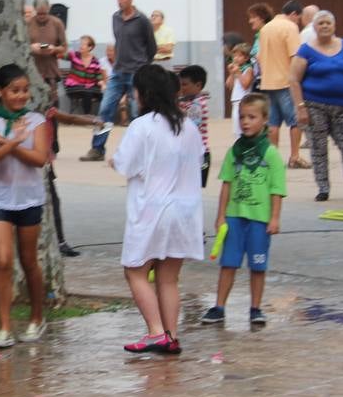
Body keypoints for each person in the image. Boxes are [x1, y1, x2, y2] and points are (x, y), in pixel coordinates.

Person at [110, 65, 203, 354]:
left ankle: (155, 331)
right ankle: (170, 335)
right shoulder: (188, 126)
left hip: (151, 209)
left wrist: (113, 160)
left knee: (135, 271)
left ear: (145, 93)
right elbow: (198, 161)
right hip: (185, 212)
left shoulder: (143, 125)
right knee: (168, 277)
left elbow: (125, 163)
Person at [0, 64, 51, 348]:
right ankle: (5, 326)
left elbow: (39, 158)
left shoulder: (36, 120)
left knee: (29, 259)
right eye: (14, 90)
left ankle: (36, 317)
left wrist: (9, 143)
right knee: (2, 260)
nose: (21, 96)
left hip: (29, 198)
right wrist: (11, 142)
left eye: (25, 90)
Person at [200, 93, 286, 327]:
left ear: (265, 120)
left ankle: (255, 308)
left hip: (260, 220)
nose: (246, 122)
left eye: (252, 117)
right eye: (242, 117)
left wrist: (275, 218)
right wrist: (220, 216)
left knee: (258, 266)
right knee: (228, 263)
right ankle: (219, 307)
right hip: (234, 218)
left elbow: (276, 190)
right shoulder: (233, 152)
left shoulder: (271, 154)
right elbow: (226, 185)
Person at [290, 10, 343, 202]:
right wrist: (300, 107)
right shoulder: (305, 50)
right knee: (318, 148)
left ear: (334, 26)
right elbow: (294, 80)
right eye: (321, 23)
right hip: (314, 106)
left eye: (328, 23)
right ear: (315, 27)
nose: (325, 26)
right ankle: (323, 188)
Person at [82, 0, 156, 161]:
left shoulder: (142, 20)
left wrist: (143, 66)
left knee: (137, 112)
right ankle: (97, 149)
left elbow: (151, 47)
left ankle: (141, 150)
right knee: (105, 109)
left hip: (136, 72)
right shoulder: (115, 18)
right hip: (118, 71)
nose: (119, 1)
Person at [256, 0, 307, 169]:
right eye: (298, 19)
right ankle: (294, 156)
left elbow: (258, 57)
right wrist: (298, 79)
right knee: (295, 121)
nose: (298, 22)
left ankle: (273, 158)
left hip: (267, 82)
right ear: (294, 14)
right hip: (286, 81)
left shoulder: (265, 28)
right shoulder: (290, 27)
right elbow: (295, 56)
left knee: (272, 123)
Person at [27, 0, 68, 99]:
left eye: (44, 13)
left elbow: (64, 47)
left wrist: (54, 49)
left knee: (52, 103)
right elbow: (20, 47)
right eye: (39, 14)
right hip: (32, 70)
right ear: (35, 10)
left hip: (50, 71)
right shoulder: (28, 24)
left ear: (49, 9)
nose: (41, 16)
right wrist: (31, 47)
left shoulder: (57, 23)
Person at [178, 65, 211, 186]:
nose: (182, 88)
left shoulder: (197, 105)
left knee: (192, 187)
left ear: (198, 85)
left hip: (199, 154)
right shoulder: (187, 101)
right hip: (191, 152)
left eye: (185, 84)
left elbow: (191, 127)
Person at [63, 35, 104, 116]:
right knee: (87, 92)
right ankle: (87, 115)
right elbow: (61, 55)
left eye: (83, 44)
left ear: (90, 47)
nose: (80, 46)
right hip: (74, 86)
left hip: (89, 87)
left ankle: (103, 117)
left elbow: (98, 75)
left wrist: (102, 83)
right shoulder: (74, 55)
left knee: (103, 94)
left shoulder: (95, 61)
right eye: (80, 44)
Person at [225, 44, 254, 138]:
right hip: (235, 101)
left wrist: (238, 73)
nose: (236, 58)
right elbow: (229, 85)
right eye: (234, 56)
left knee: (242, 127)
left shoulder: (248, 69)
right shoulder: (236, 70)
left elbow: (245, 85)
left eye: (239, 56)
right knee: (236, 128)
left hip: (244, 101)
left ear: (246, 58)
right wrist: (231, 74)